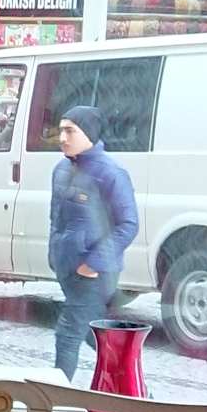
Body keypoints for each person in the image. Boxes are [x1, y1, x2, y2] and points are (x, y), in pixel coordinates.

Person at [47, 104, 138, 382]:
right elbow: (56, 217)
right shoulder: (61, 169)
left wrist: (93, 263)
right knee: (92, 334)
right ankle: (133, 387)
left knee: (68, 334)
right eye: (61, 131)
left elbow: (128, 225)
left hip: (96, 273)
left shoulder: (111, 173)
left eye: (70, 131)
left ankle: (55, 396)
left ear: (89, 133)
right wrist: (55, 255)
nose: (62, 138)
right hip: (67, 268)